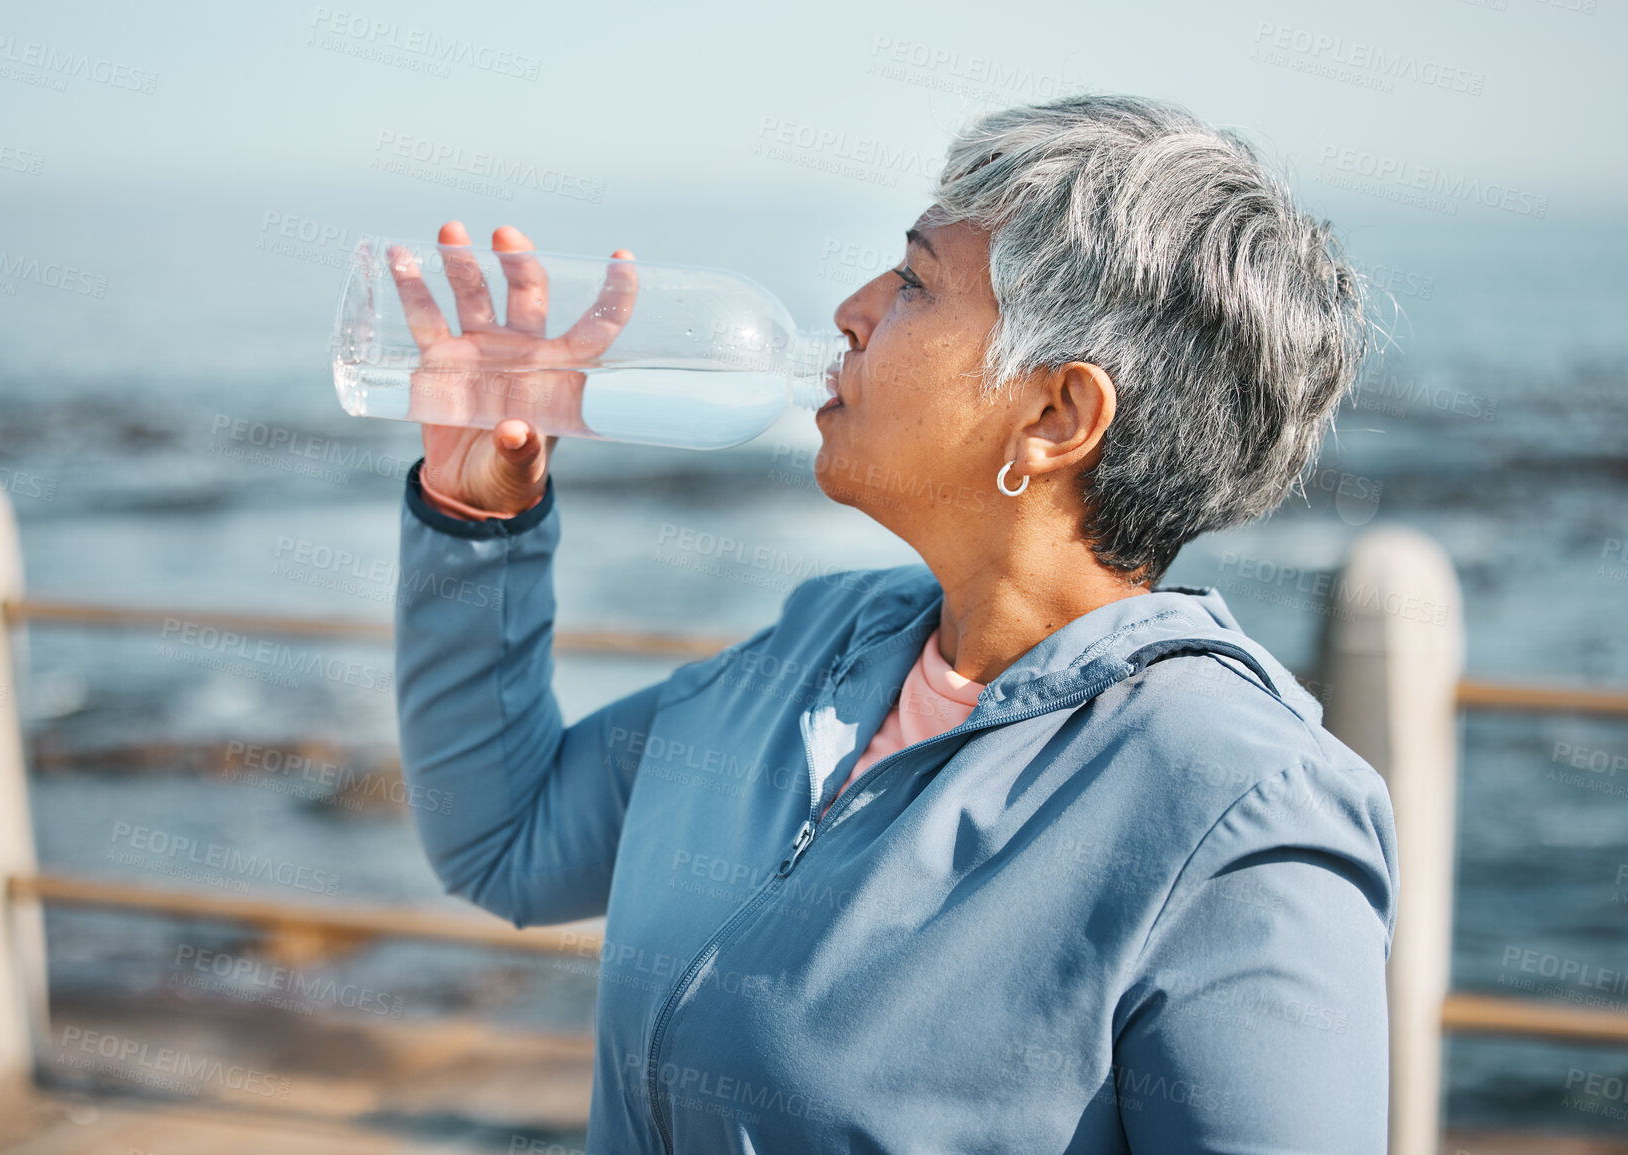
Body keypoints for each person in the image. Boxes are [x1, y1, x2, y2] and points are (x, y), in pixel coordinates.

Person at [392, 94, 1396, 1153]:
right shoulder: (816, 650)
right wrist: (475, 523)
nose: (851, 309)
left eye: (916, 281)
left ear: (1057, 416)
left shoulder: (1237, 813)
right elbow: (508, 840)